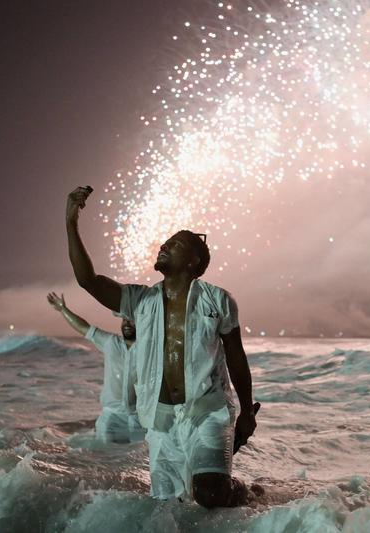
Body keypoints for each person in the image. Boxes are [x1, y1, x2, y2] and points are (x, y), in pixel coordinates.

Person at [65, 185, 258, 508]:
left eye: (176, 243)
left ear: (193, 261)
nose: (165, 245)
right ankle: (212, 480)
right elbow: (88, 280)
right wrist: (71, 221)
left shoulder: (218, 300)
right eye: (166, 241)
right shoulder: (141, 300)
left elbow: (237, 359)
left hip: (207, 411)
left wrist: (247, 412)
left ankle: (246, 492)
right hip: (160, 419)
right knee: (171, 510)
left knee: (210, 494)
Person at [46, 291, 144, 443]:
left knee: (138, 461)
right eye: (124, 320)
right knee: (103, 458)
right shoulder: (110, 342)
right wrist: (63, 309)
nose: (126, 324)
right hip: (112, 416)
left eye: (131, 321)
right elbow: (84, 328)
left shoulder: (149, 348)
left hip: (140, 418)